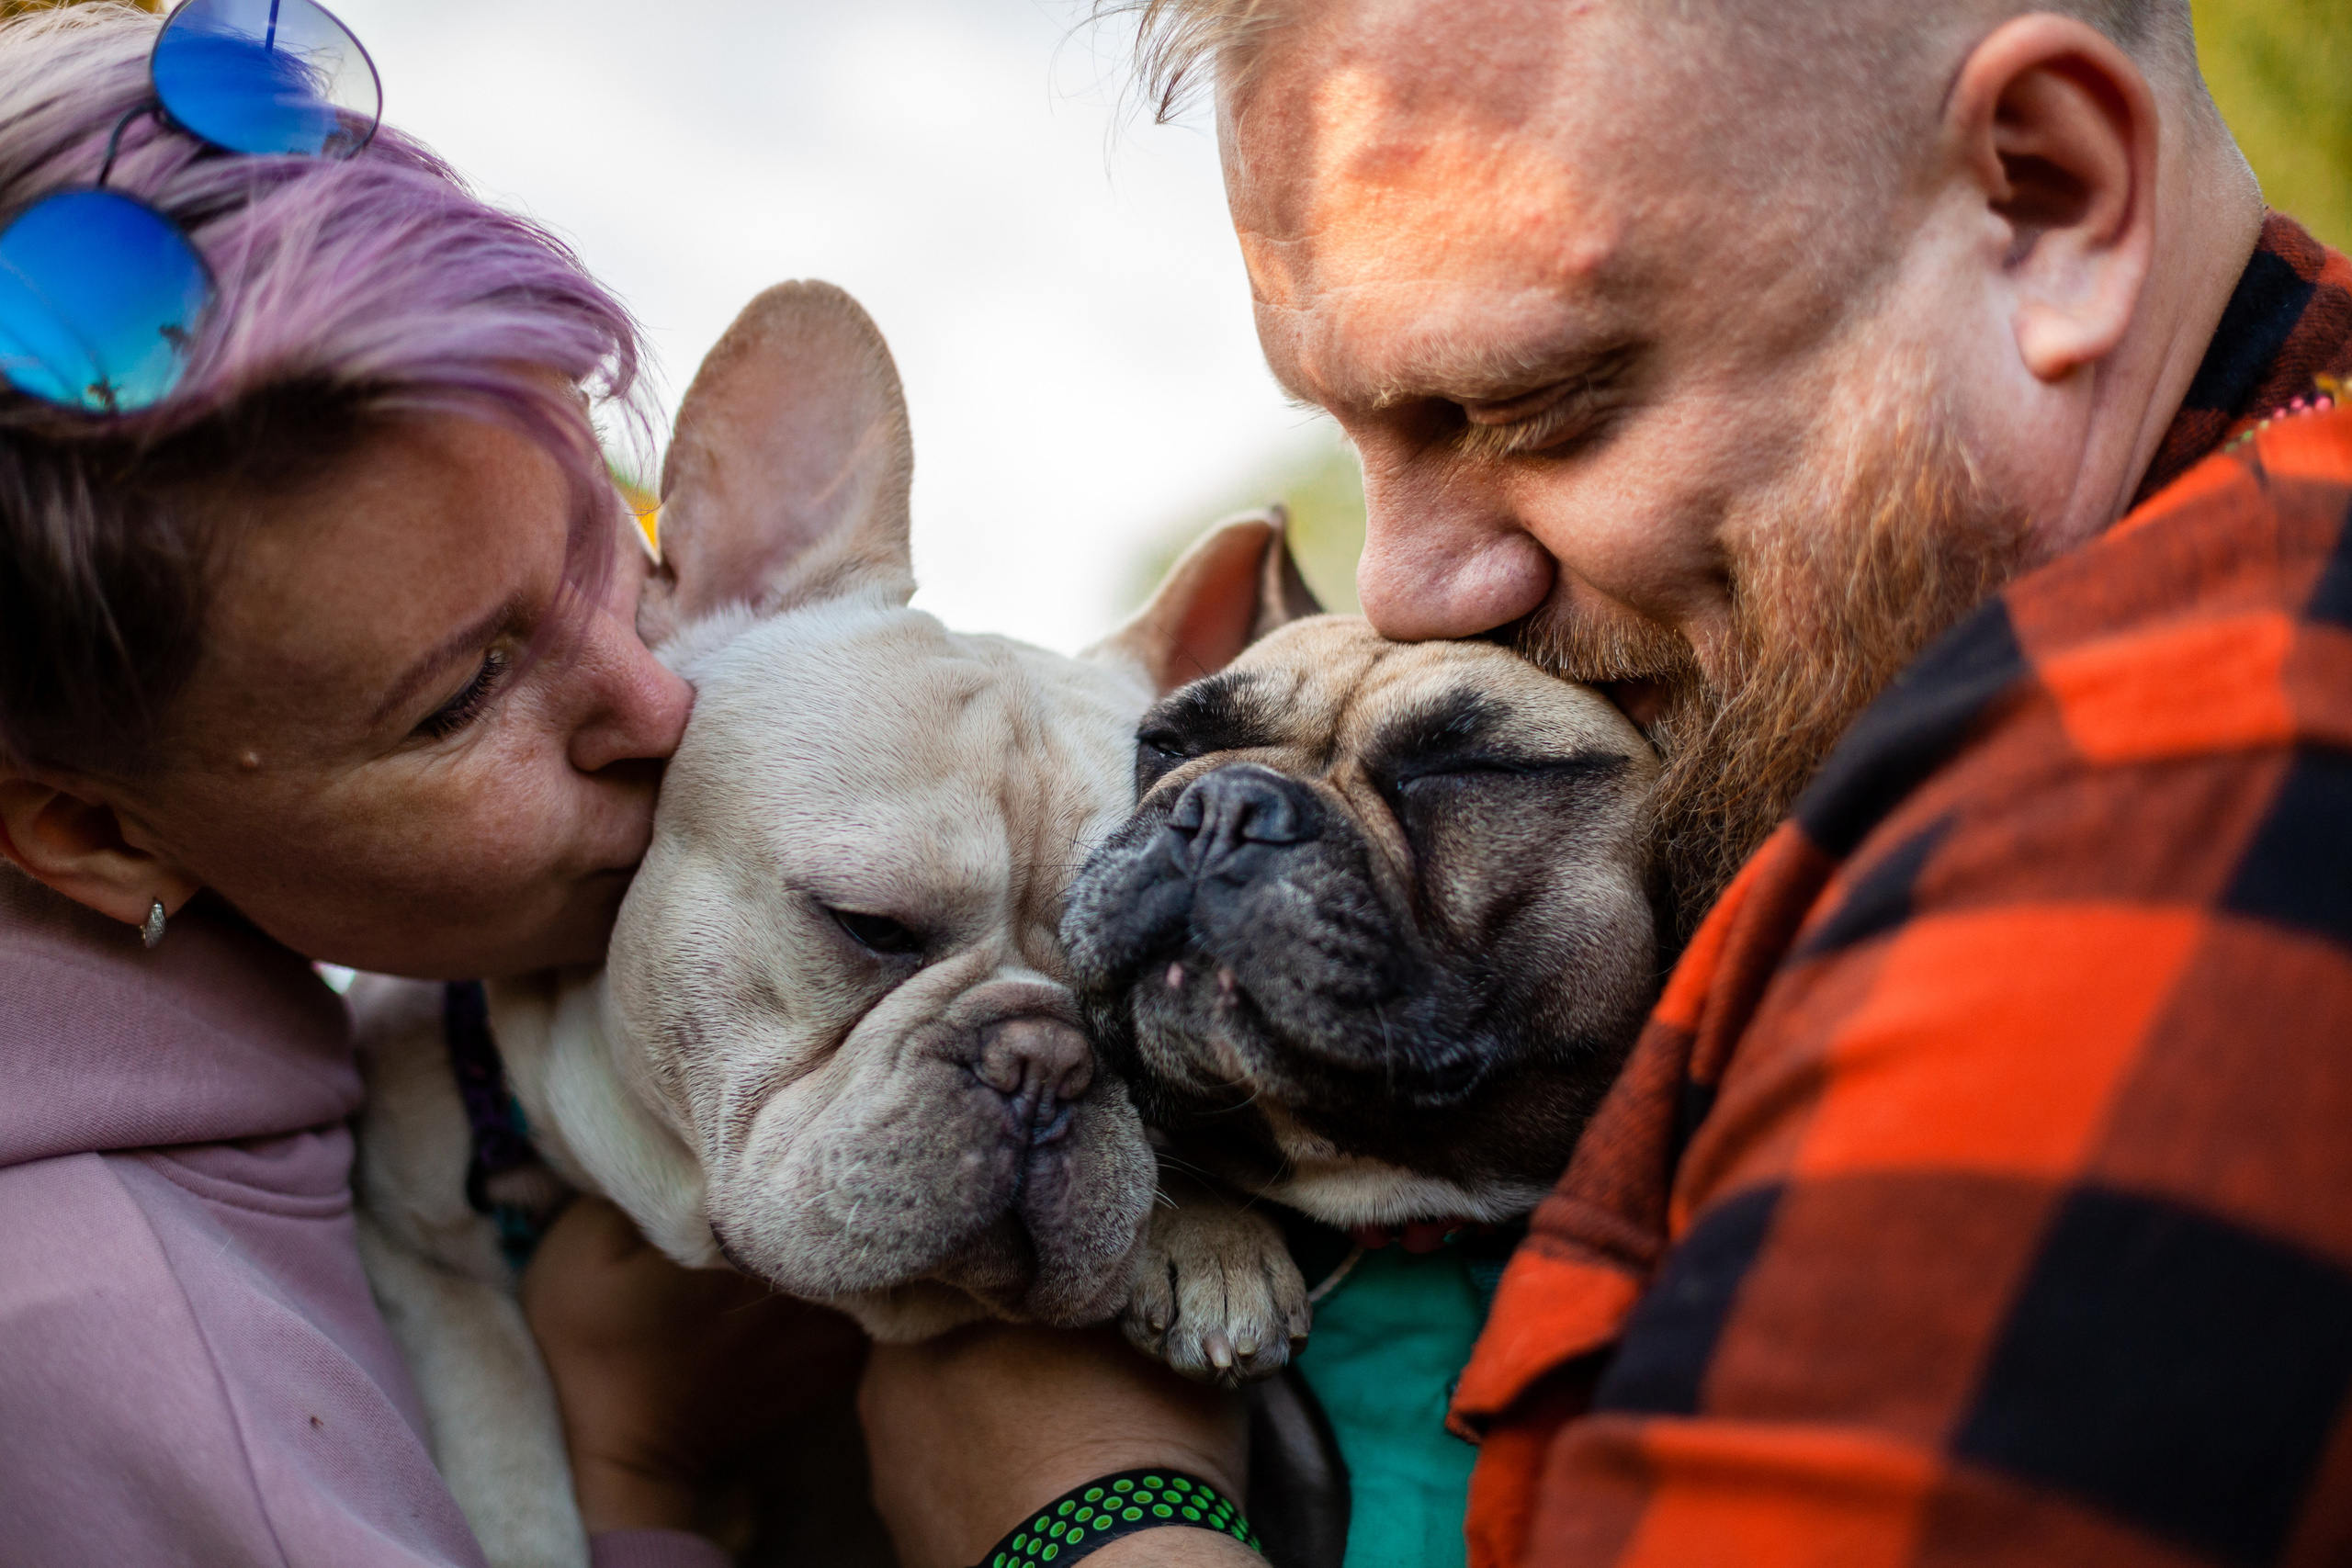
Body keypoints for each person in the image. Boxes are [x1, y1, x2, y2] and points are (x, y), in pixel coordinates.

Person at [862, 0, 2352, 1562]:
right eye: (1357, 437)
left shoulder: (2201, 773)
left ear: (2044, 199)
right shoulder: (1921, 705)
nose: (1406, 584)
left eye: (1534, 409)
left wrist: (1086, 1518)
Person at [0, 6, 856, 1564]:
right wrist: (639, 1472)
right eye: (463, 698)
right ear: (92, 833)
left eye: (610, 524)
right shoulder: (106, 1361)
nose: (659, 700)